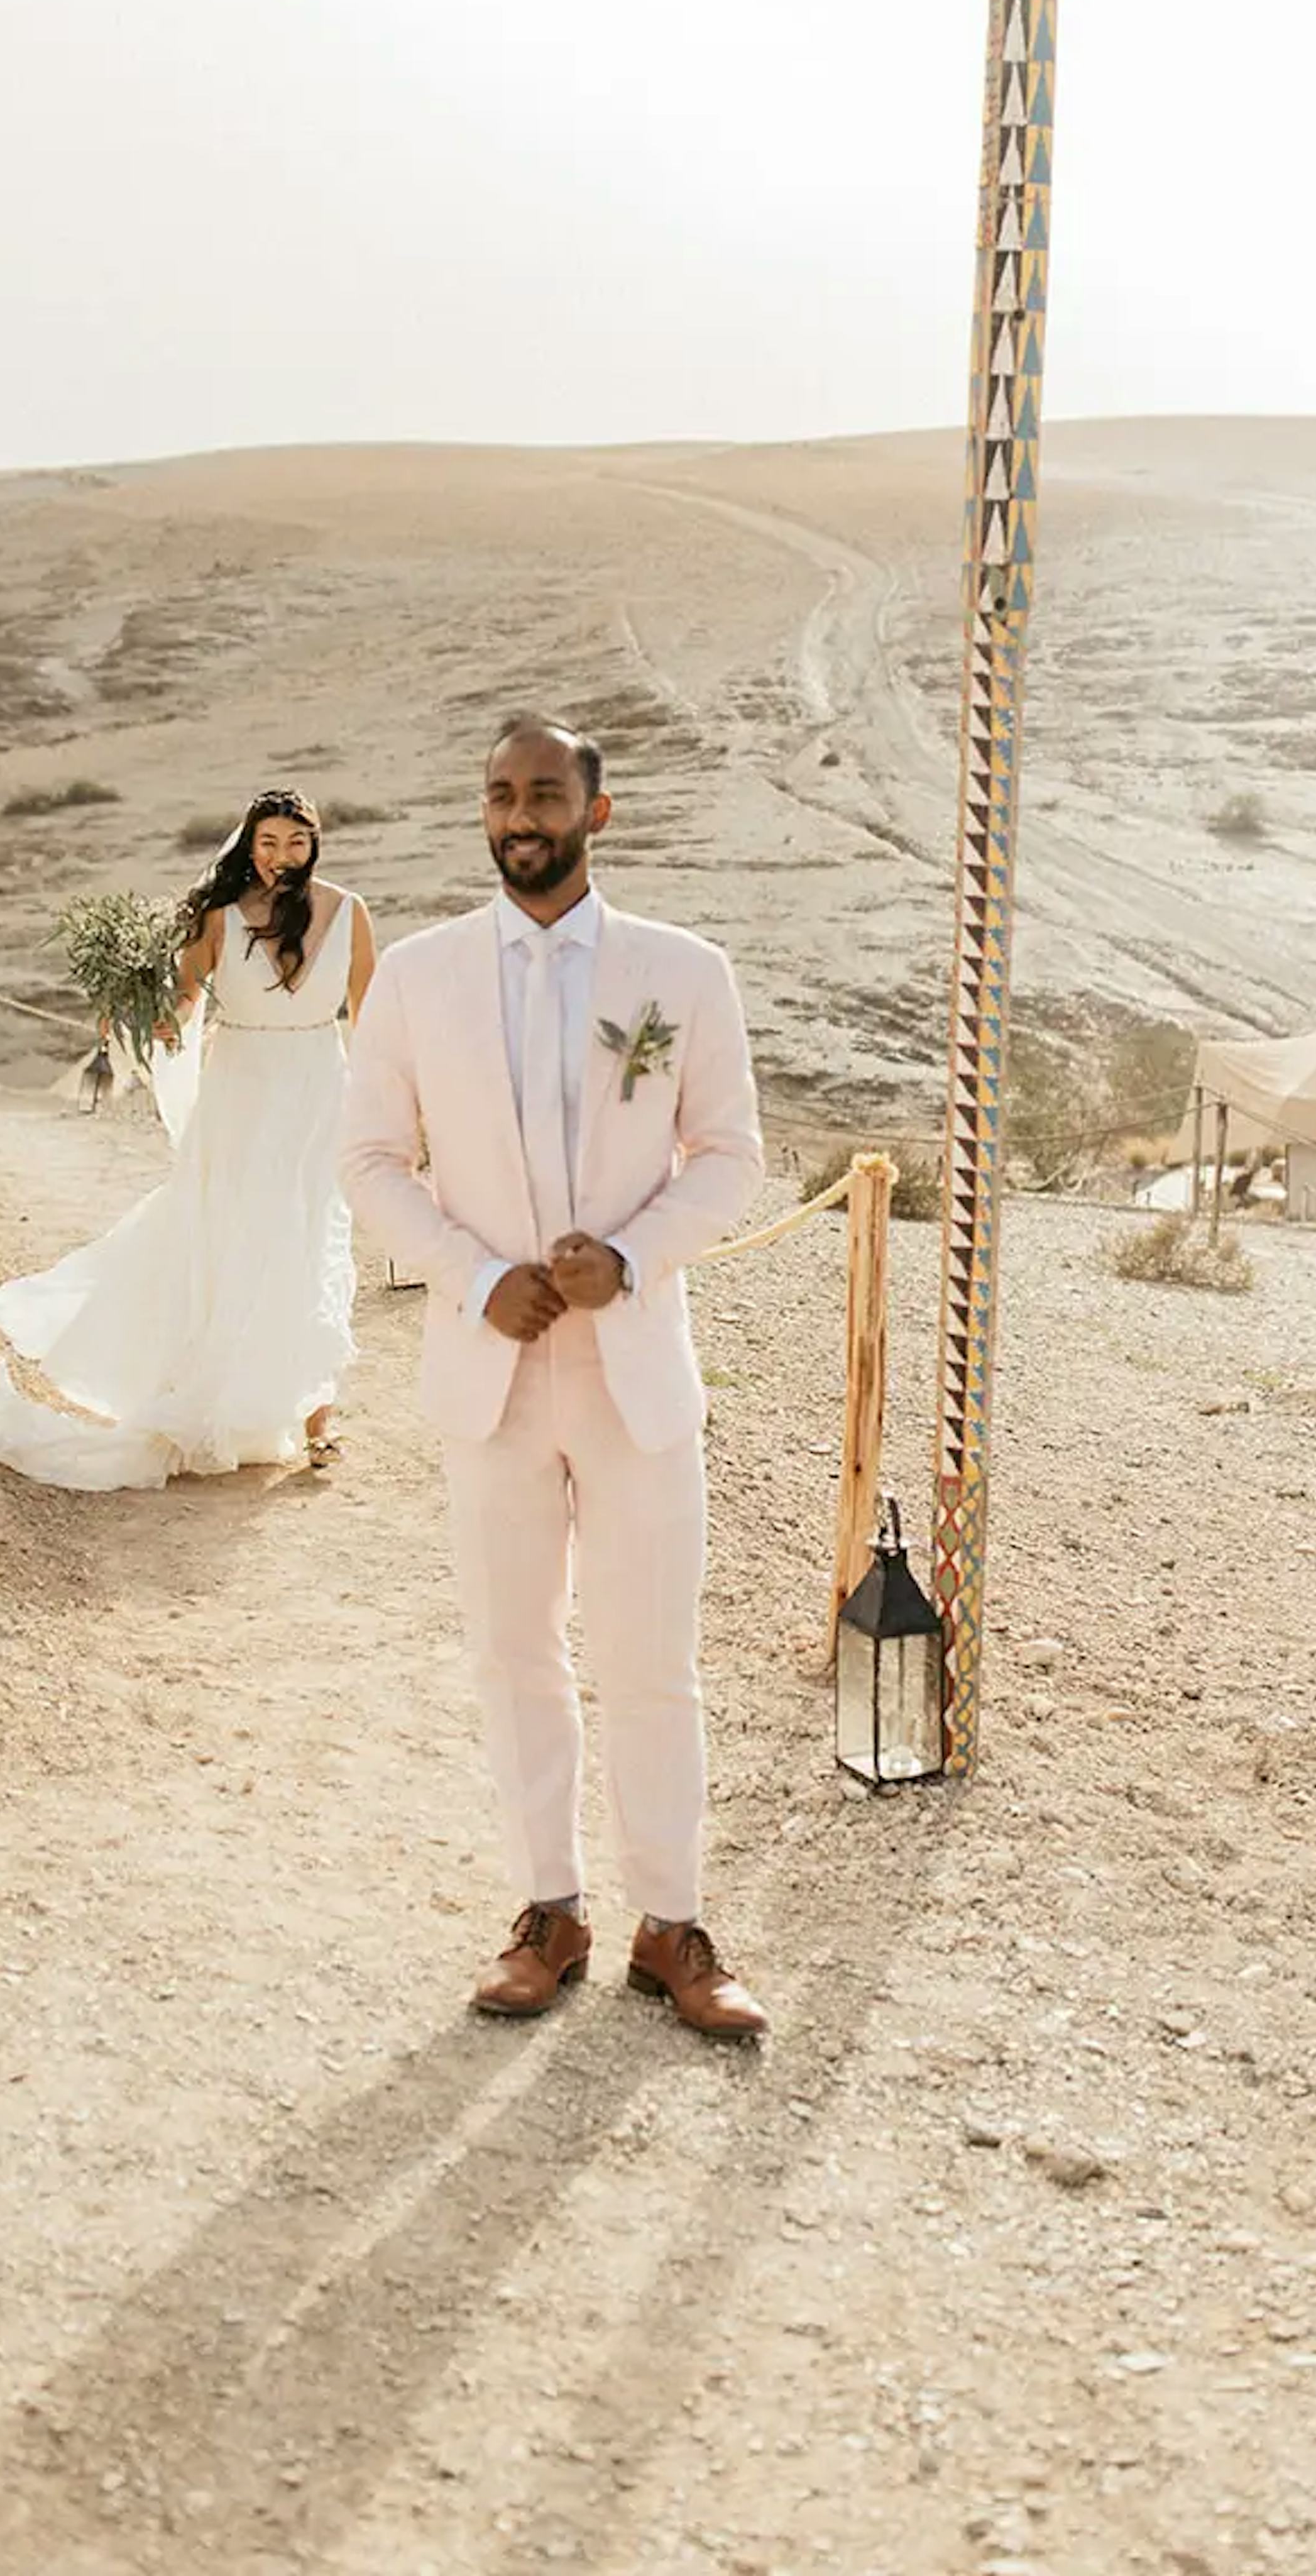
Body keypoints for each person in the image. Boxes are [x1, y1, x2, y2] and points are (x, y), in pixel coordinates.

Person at [339, 717, 769, 2040]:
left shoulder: (680, 972)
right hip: (491, 1374)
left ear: (599, 810)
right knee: (514, 1649)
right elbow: (367, 1160)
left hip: (634, 1371)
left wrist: (628, 1257)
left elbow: (733, 1154)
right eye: (500, 793)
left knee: (651, 1656)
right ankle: (549, 1909)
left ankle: (674, 1924)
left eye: (544, 792)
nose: (519, 812)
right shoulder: (415, 976)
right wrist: (476, 1277)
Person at [0, 788, 373, 1488]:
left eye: (296, 843)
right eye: (267, 843)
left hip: (320, 1086)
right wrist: (149, 1016)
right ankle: (227, 1394)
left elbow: (370, 1018)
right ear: (248, 846)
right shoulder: (218, 921)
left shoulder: (349, 913)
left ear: (314, 843)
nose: (281, 857)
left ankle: (320, 1416)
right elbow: (184, 1008)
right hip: (242, 1091)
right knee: (235, 1238)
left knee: (314, 1235)